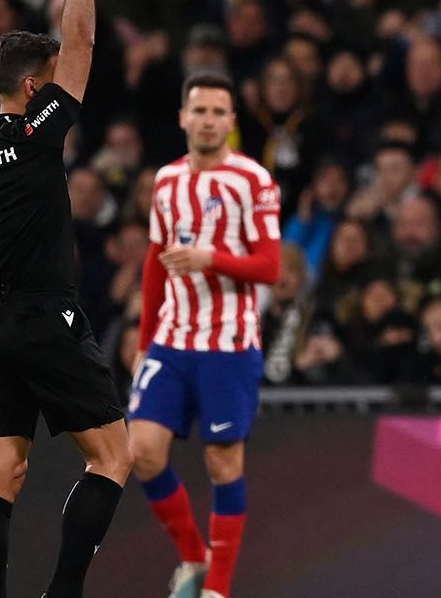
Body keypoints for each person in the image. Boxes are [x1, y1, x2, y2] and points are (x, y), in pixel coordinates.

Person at [0, 0, 133, 598]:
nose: (59, 84)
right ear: (32, 88)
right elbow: (80, 40)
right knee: (115, 457)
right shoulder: (34, 136)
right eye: (49, 79)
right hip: (44, 318)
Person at [129, 72, 282, 598]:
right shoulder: (167, 180)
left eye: (219, 112)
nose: (209, 121)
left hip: (229, 344)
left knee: (222, 462)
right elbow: (154, 261)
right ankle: (195, 557)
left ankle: (217, 589)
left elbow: (269, 268)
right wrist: (144, 339)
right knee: (142, 450)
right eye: (200, 111)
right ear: (183, 118)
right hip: (173, 339)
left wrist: (209, 259)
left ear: (232, 123)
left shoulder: (253, 182)